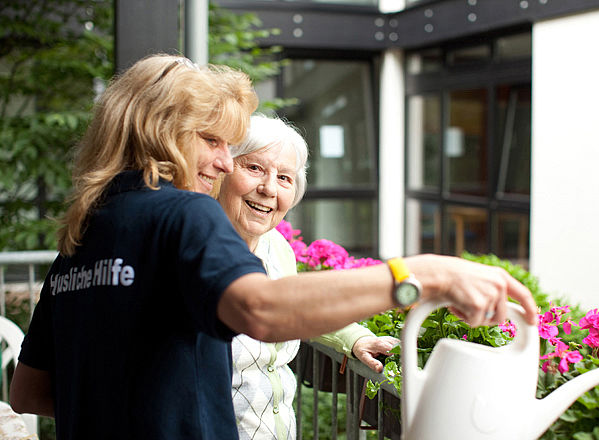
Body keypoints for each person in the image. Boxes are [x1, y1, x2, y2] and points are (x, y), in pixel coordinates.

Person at [9, 54, 537, 440]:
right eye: (212, 141)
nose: (222, 162)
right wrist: (424, 275)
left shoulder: (82, 236)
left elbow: (28, 393)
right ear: (160, 130)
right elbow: (262, 309)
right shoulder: (183, 213)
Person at [215, 114, 397, 439]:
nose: (269, 188)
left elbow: (295, 306)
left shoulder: (276, 247)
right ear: (222, 170)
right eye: (254, 168)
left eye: (284, 177)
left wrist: (354, 339)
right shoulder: (196, 248)